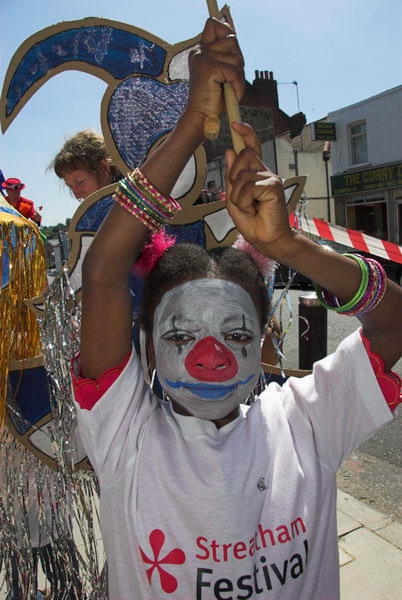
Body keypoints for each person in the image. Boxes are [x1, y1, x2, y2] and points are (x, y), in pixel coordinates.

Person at [70, 17, 402, 600]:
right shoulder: (128, 436)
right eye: (178, 336)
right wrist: (190, 129)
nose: (210, 355)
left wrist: (287, 245)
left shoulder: (306, 422)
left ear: (262, 333)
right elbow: (104, 272)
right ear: (143, 345)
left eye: (236, 332)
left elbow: (395, 321)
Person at [49, 129, 122, 200]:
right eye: (70, 186)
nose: (77, 195)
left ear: (103, 167)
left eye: (80, 182)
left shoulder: (131, 198)